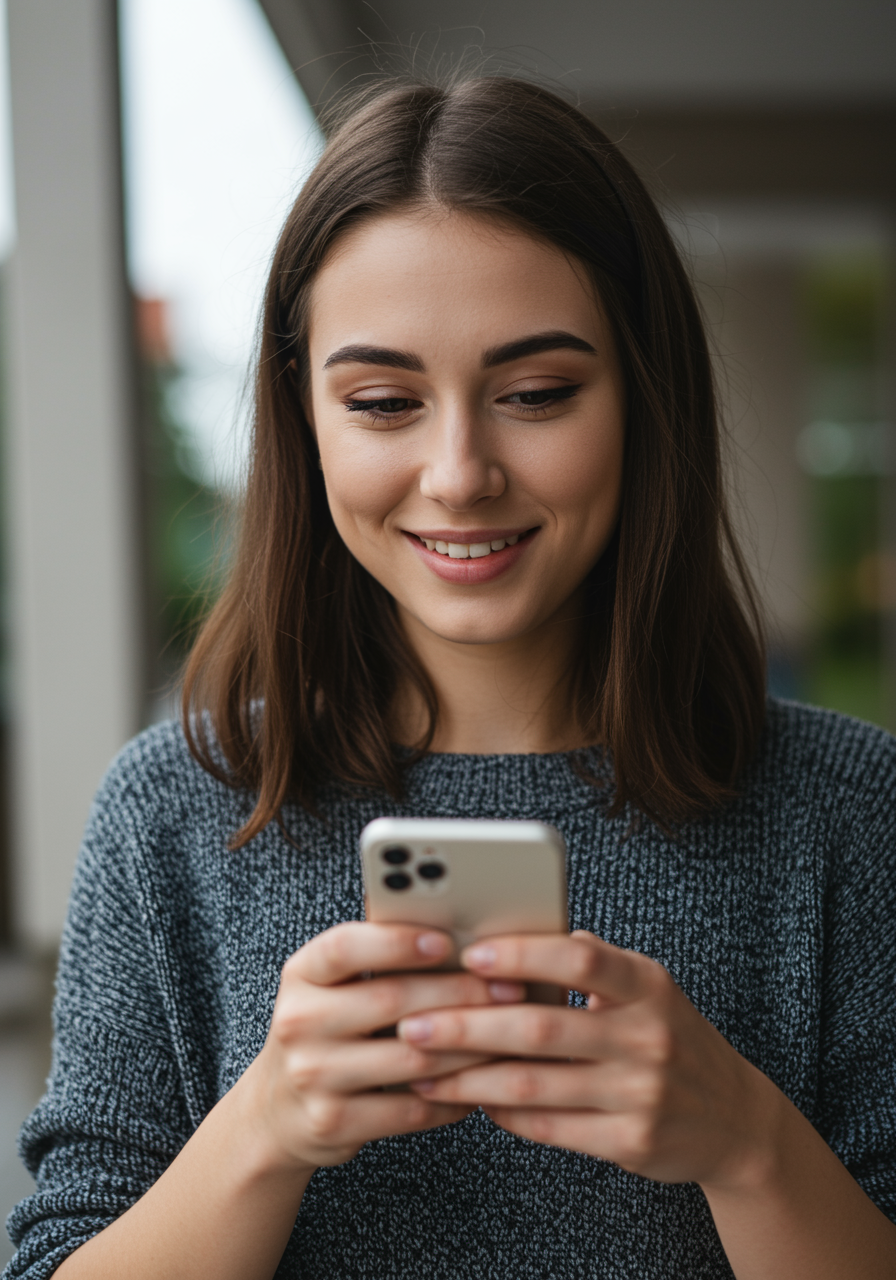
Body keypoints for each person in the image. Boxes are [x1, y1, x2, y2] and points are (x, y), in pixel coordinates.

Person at [5, 76, 896, 1280]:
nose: (459, 471)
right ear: (303, 419)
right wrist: (262, 1129)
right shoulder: (172, 811)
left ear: (645, 396)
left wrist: (744, 1142)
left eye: (535, 394)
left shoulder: (846, 807)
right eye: (383, 403)